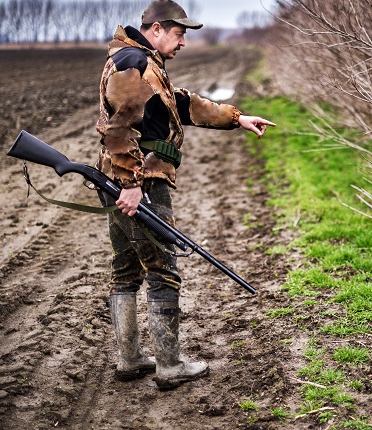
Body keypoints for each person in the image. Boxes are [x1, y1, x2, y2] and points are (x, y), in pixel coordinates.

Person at [95, 0, 275, 388]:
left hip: (123, 182)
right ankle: (169, 365)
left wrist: (235, 118)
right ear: (156, 29)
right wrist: (131, 186)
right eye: (178, 34)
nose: (182, 43)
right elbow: (119, 128)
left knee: (125, 270)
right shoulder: (134, 64)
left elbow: (180, 103)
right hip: (141, 183)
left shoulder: (140, 61)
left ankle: (129, 360)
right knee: (162, 271)